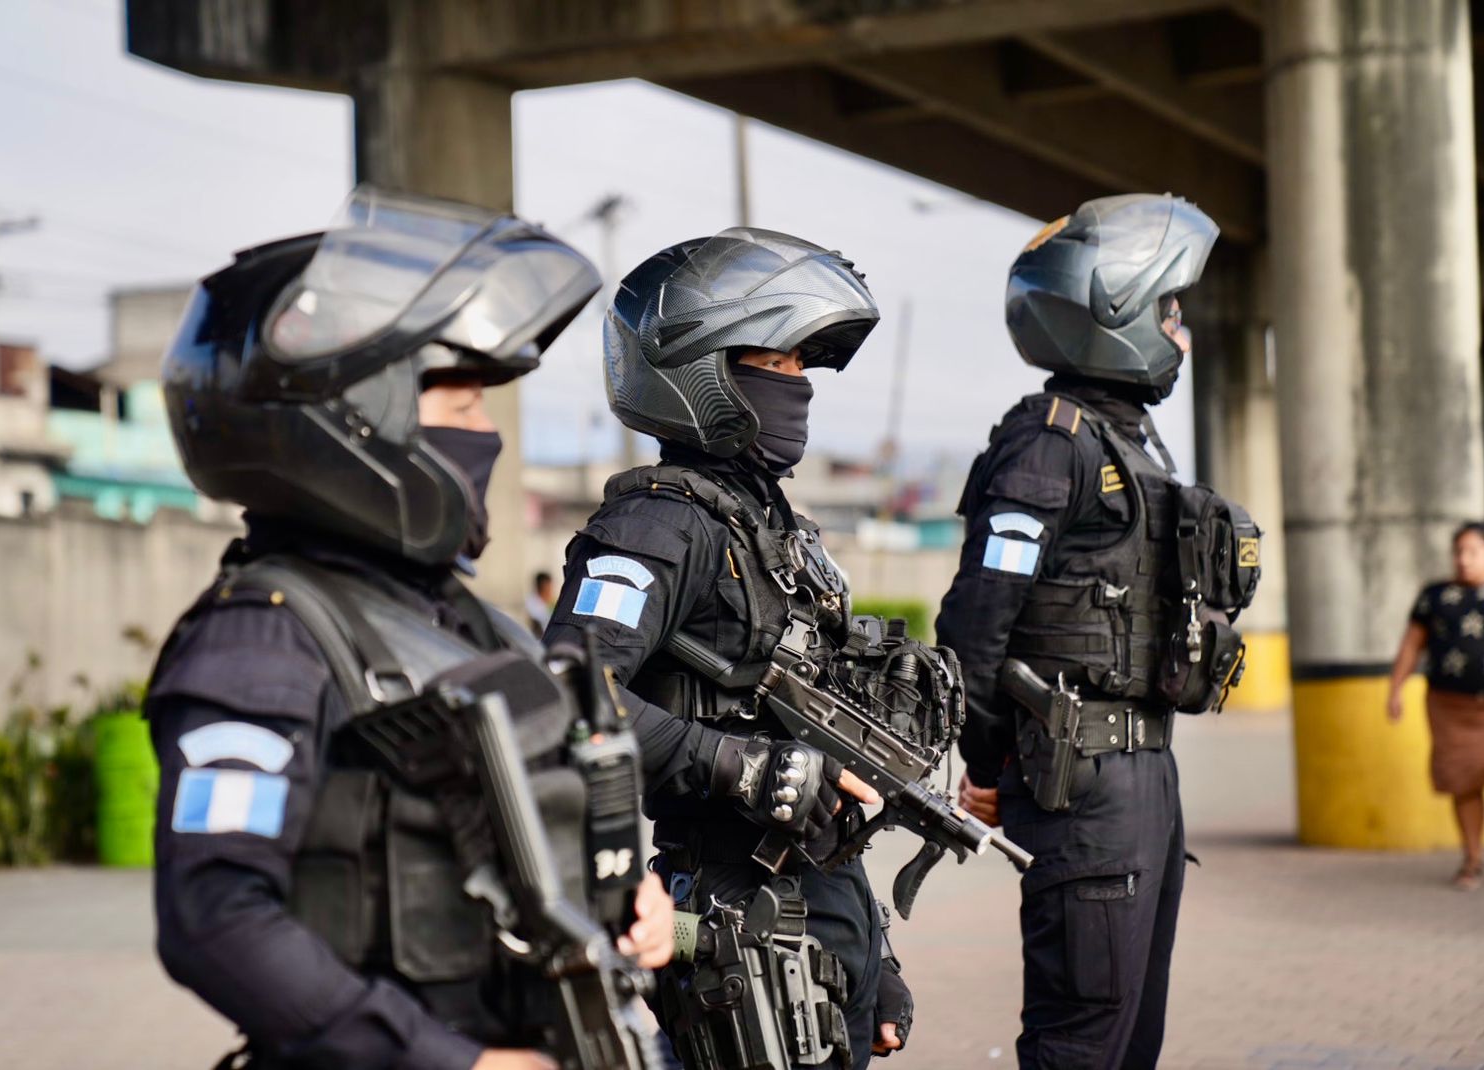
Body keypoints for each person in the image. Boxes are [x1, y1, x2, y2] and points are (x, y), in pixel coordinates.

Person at [145, 188, 673, 1070]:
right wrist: (446, 1064)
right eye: (461, 409)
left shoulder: (477, 623)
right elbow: (217, 919)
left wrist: (634, 901)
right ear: (352, 423)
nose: (484, 438)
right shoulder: (262, 639)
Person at [542, 228, 914, 1069]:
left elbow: (820, 767)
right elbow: (566, 695)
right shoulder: (655, 524)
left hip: (820, 919)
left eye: (801, 365)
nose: (800, 384)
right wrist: (737, 764)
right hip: (730, 926)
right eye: (775, 363)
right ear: (703, 371)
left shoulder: (777, 529)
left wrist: (874, 960)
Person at [938, 194, 1260, 1069]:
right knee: (1080, 1041)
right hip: (1082, 784)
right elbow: (975, 627)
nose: (1181, 332)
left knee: (1130, 1037)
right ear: (1113, 310)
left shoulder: (1135, 444)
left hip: (1145, 772)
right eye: (1168, 309)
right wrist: (992, 762)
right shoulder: (1049, 446)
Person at [1387, 521, 1484, 890]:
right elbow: (1413, 644)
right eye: (1459, 551)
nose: (1464, 559)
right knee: (1464, 785)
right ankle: (1473, 860)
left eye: (1473, 551)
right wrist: (1395, 688)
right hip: (1452, 711)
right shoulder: (1434, 596)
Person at [526, 571, 557, 637]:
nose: (549, 589)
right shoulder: (532, 602)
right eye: (547, 587)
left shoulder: (553, 601)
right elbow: (537, 621)